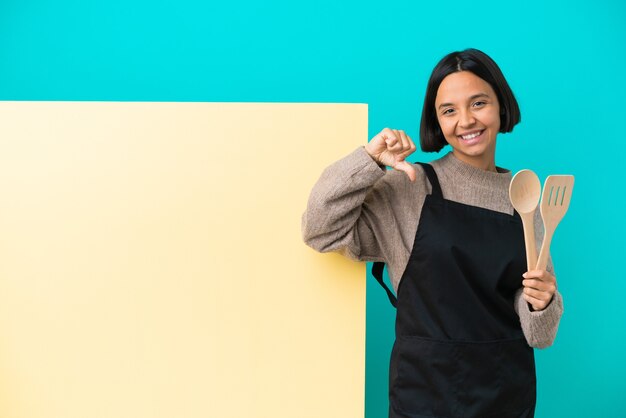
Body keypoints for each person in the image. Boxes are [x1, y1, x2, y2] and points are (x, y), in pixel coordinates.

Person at [301, 48, 563, 418]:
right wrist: (370, 160)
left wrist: (543, 302)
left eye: (479, 103)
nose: (466, 120)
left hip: (505, 395)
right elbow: (318, 227)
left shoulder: (526, 200)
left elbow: (540, 334)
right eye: (449, 111)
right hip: (424, 396)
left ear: (501, 106)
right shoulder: (410, 187)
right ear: (436, 122)